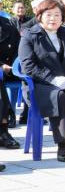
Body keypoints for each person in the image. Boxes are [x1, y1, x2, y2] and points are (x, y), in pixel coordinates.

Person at [18, 0, 65, 161]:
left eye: (57, 15)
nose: (53, 19)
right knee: (59, 97)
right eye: (48, 15)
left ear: (62, 17)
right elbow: (28, 66)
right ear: (39, 16)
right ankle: (62, 144)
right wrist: (54, 80)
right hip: (41, 85)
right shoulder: (29, 36)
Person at [0, 15, 20, 148]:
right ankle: (3, 131)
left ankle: (3, 130)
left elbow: (19, 49)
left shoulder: (8, 25)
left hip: (11, 70)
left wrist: (13, 65)